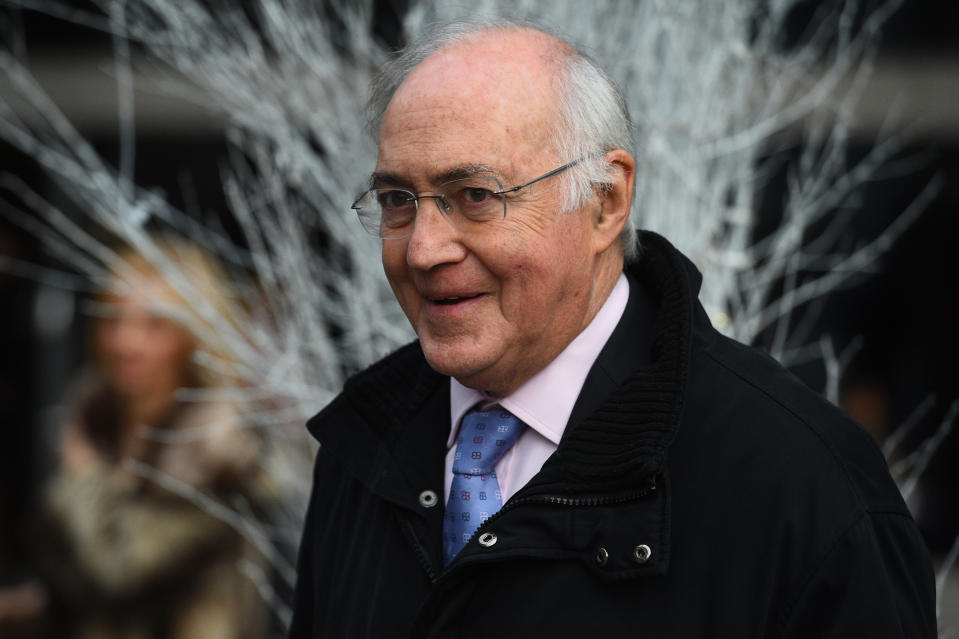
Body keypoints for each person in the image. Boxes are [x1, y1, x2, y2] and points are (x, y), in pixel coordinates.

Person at [290, 19, 936, 638]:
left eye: (476, 196)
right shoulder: (364, 449)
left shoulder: (798, 485)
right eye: (398, 200)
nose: (423, 249)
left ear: (605, 200)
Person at [33, 238, 270, 639]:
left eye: (154, 324)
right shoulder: (97, 420)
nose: (127, 342)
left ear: (192, 334)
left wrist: (84, 477)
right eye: (113, 320)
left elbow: (118, 573)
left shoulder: (214, 446)